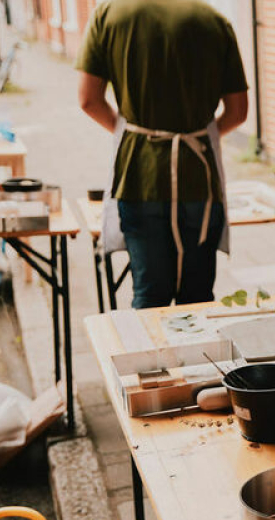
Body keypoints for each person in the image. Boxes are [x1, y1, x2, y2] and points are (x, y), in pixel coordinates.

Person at [77, 0, 248, 309]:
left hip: (138, 175)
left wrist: (131, 134)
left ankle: (149, 357)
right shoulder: (214, 20)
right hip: (199, 179)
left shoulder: (109, 13)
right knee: (198, 299)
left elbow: (89, 100)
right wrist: (195, 139)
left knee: (149, 295)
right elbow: (237, 112)